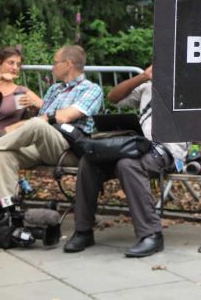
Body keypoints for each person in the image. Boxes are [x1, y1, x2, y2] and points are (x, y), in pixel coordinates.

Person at [63, 65, 188, 257]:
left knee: (128, 165)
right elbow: (114, 97)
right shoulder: (147, 88)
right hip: (135, 146)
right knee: (90, 163)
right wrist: (143, 77)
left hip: (168, 149)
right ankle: (83, 230)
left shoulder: (186, 89)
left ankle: (152, 234)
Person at [0, 45, 103, 202]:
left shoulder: (91, 89)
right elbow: (41, 119)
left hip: (69, 148)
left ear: (68, 64)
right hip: (43, 147)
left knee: (38, 125)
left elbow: (65, 117)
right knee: (3, 155)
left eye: (55, 62)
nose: (52, 67)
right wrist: (30, 121)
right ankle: (7, 210)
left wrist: (40, 119)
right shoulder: (54, 89)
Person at [0, 47, 43, 146]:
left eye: (18, 65)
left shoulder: (20, 91)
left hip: (6, 138)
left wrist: (33, 103)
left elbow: (47, 107)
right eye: (11, 63)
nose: (14, 68)